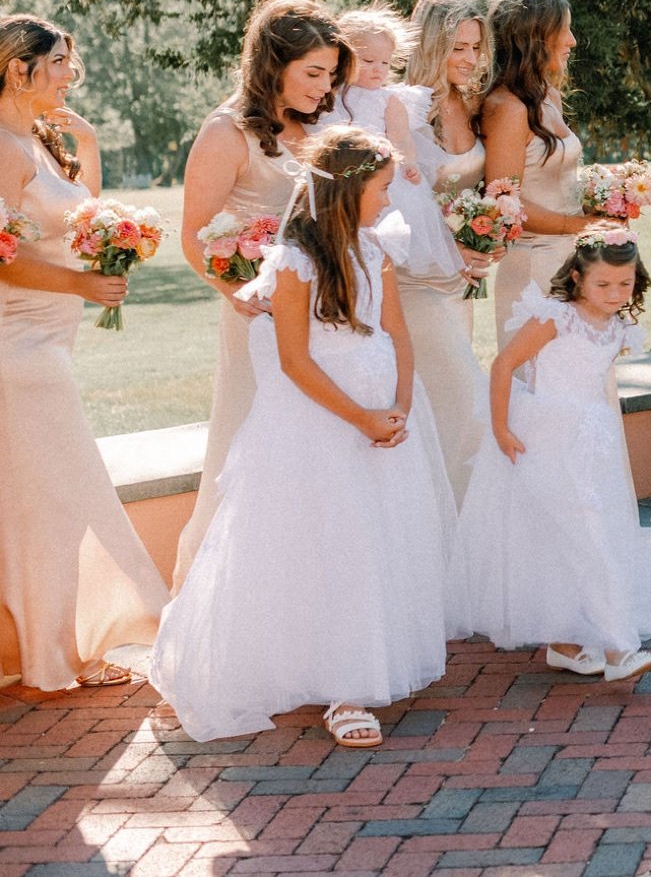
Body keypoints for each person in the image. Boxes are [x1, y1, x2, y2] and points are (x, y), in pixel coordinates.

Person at [153, 126, 451, 746]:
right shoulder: (297, 261)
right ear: (346, 191)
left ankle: (367, 658)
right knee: (329, 540)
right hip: (319, 422)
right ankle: (344, 689)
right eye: (381, 189)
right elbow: (294, 361)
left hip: (381, 414)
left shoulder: (375, 251)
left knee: (376, 538)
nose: (388, 201)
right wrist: (361, 418)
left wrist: (398, 405)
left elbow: (396, 331)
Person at [450, 227, 651, 681]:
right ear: (578, 277)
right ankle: (621, 647)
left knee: (581, 535)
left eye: (624, 285)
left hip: (590, 439)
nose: (615, 294)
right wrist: (501, 428)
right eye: (603, 285)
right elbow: (504, 365)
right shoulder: (555, 317)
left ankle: (564, 641)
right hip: (544, 436)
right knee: (583, 535)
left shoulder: (617, 325)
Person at [0, 16, 166, 691]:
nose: (71, 74)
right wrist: (82, 283)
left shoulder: (35, 141)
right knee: (65, 501)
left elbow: (81, 216)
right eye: (60, 62)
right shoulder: (3, 151)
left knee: (42, 504)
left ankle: (50, 649)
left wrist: (88, 145)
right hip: (18, 349)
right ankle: (56, 655)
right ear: (20, 69)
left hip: (51, 341)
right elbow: (3, 260)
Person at [173, 0, 352, 586]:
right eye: (313, 73)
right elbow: (194, 237)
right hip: (257, 317)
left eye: (330, 74)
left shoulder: (321, 126)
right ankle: (222, 594)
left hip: (321, 312)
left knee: (314, 452)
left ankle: (306, 588)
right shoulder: (227, 132)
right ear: (273, 65)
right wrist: (243, 296)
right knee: (247, 448)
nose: (324, 87)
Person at [394, 0, 495, 501]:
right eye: (459, 47)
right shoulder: (399, 111)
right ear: (431, 45)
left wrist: (487, 234)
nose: (471, 58)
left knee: (446, 406)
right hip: (415, 283)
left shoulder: (472, 104)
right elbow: (389, 208)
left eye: (476, 47)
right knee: (457, 400)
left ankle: (454, 528)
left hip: (461, 283)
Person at [482, 0, 587, 334]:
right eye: (564, 31)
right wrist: (581, 226)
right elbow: (504, 201)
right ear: (534, 39)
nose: (572, 41)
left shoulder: (549, 97)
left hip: (572, 260)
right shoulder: (507, 108)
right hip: (532, 269)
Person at [323, 4, 452, 281]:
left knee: (378, 246)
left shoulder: (388, 100)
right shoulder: (326, 96)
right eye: (368, 61)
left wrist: (409, 163)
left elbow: (401, 138)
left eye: (385, 62)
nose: (378, 70)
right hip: (335, 181)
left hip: (380, 181)